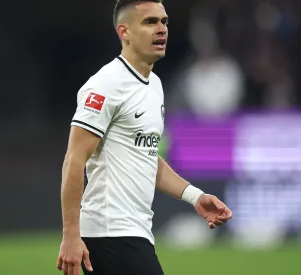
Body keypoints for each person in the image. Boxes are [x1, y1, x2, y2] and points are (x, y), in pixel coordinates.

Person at [56, 1, 233, 275]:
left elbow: (147, 157)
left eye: (164, 21)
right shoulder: (106, 85)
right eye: (150, 22)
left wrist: (195, 197)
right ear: (123, 32)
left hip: (134, 233)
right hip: (109, 234)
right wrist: (70, 235)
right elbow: (74, 159)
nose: (161, 29)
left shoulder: (155, 86)